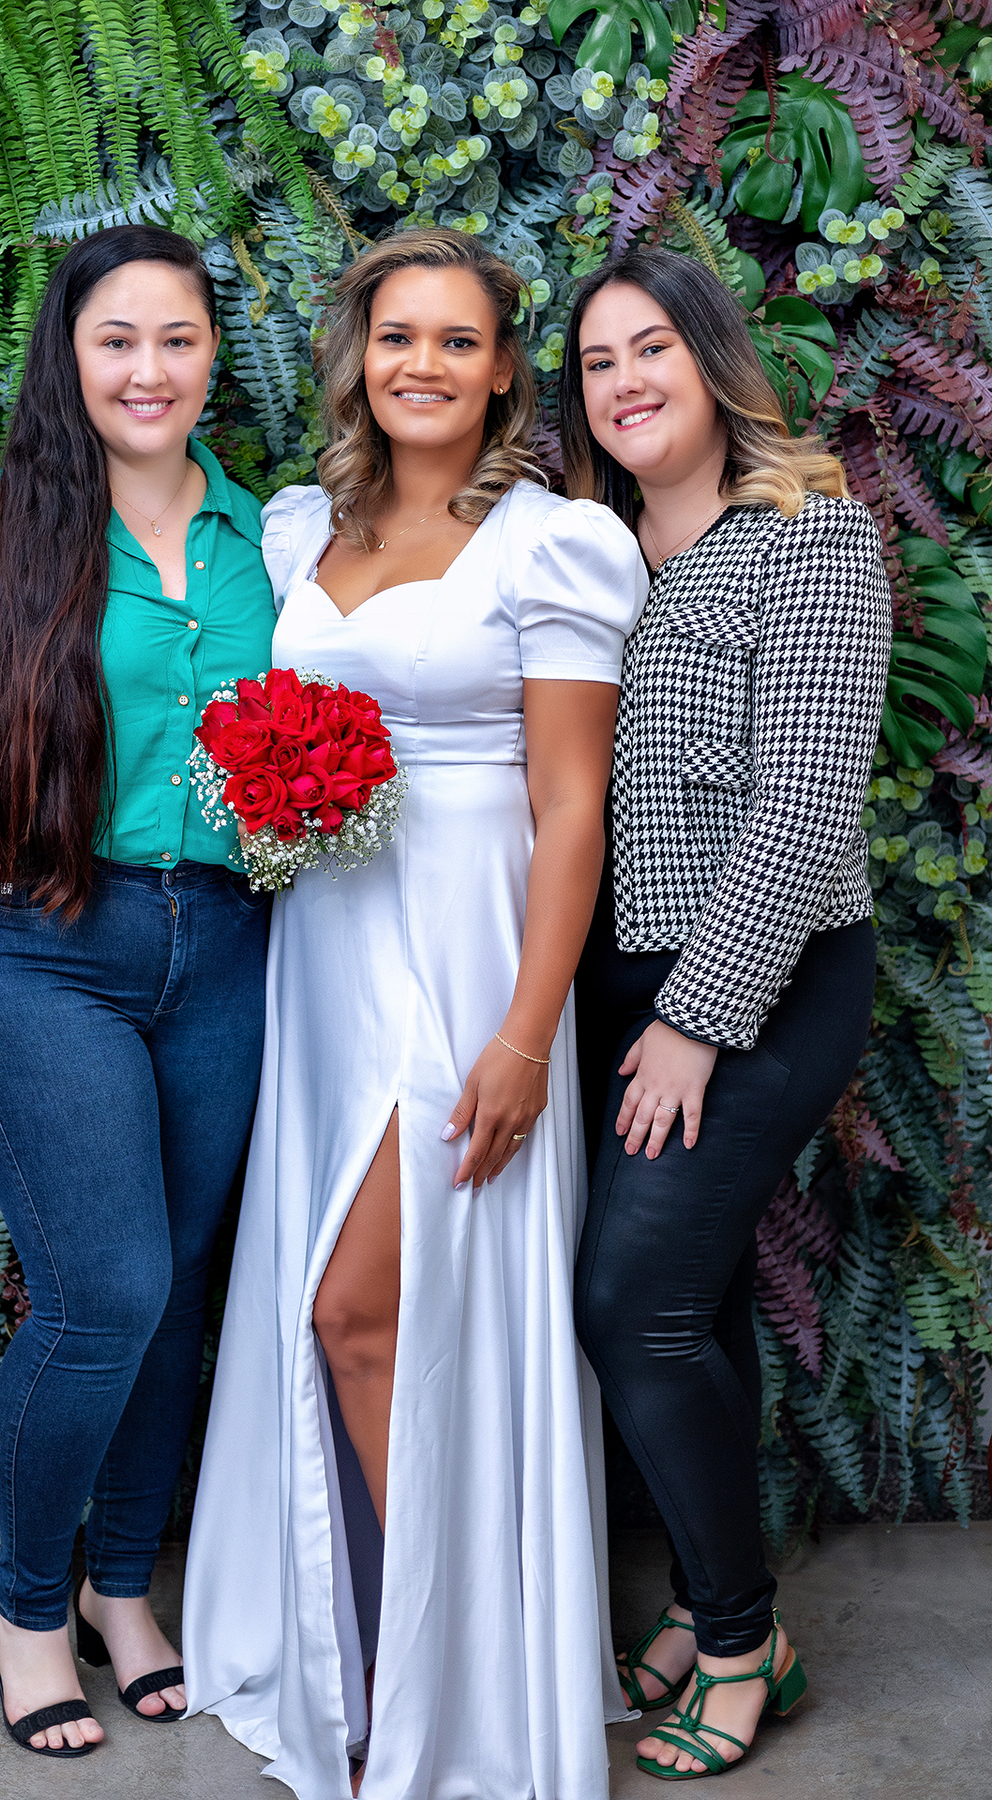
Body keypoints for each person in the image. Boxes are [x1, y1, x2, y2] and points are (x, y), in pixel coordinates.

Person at [181, 227, 649, 1800]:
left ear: (506, 370)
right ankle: (361, 1639)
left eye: (458, 340)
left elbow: (570, 810)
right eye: (398, 337)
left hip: (468, 958)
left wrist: (525, 1034)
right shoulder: (299, 527)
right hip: (322, 951)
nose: (424, 365)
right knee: (343, 1306)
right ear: (359, 357)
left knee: (362, 1308)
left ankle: (441, 1677)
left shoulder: (552, 547)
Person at [0, 224, 275, 1757]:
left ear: (214, 354)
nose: (148, 370)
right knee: (105, 1291)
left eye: (177, 338)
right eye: (117, 340)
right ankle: (26, 1607)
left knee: (177, 1297)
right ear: (71, 354)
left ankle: (120, 1587)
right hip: (42, 945)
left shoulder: (261, 538)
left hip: (224, 947)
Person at [560, 246, 892, 1781]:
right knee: (687, 1303)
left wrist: (700, 1020)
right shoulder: (591, 547)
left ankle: (748, 1645)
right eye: (597, 362)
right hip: (614, 987)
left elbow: (808, 806)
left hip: (764, 985)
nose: (625, 382)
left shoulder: (809, 535)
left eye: (652, 349)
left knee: (633, 1303)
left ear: (711, 359)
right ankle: (709, 1600)